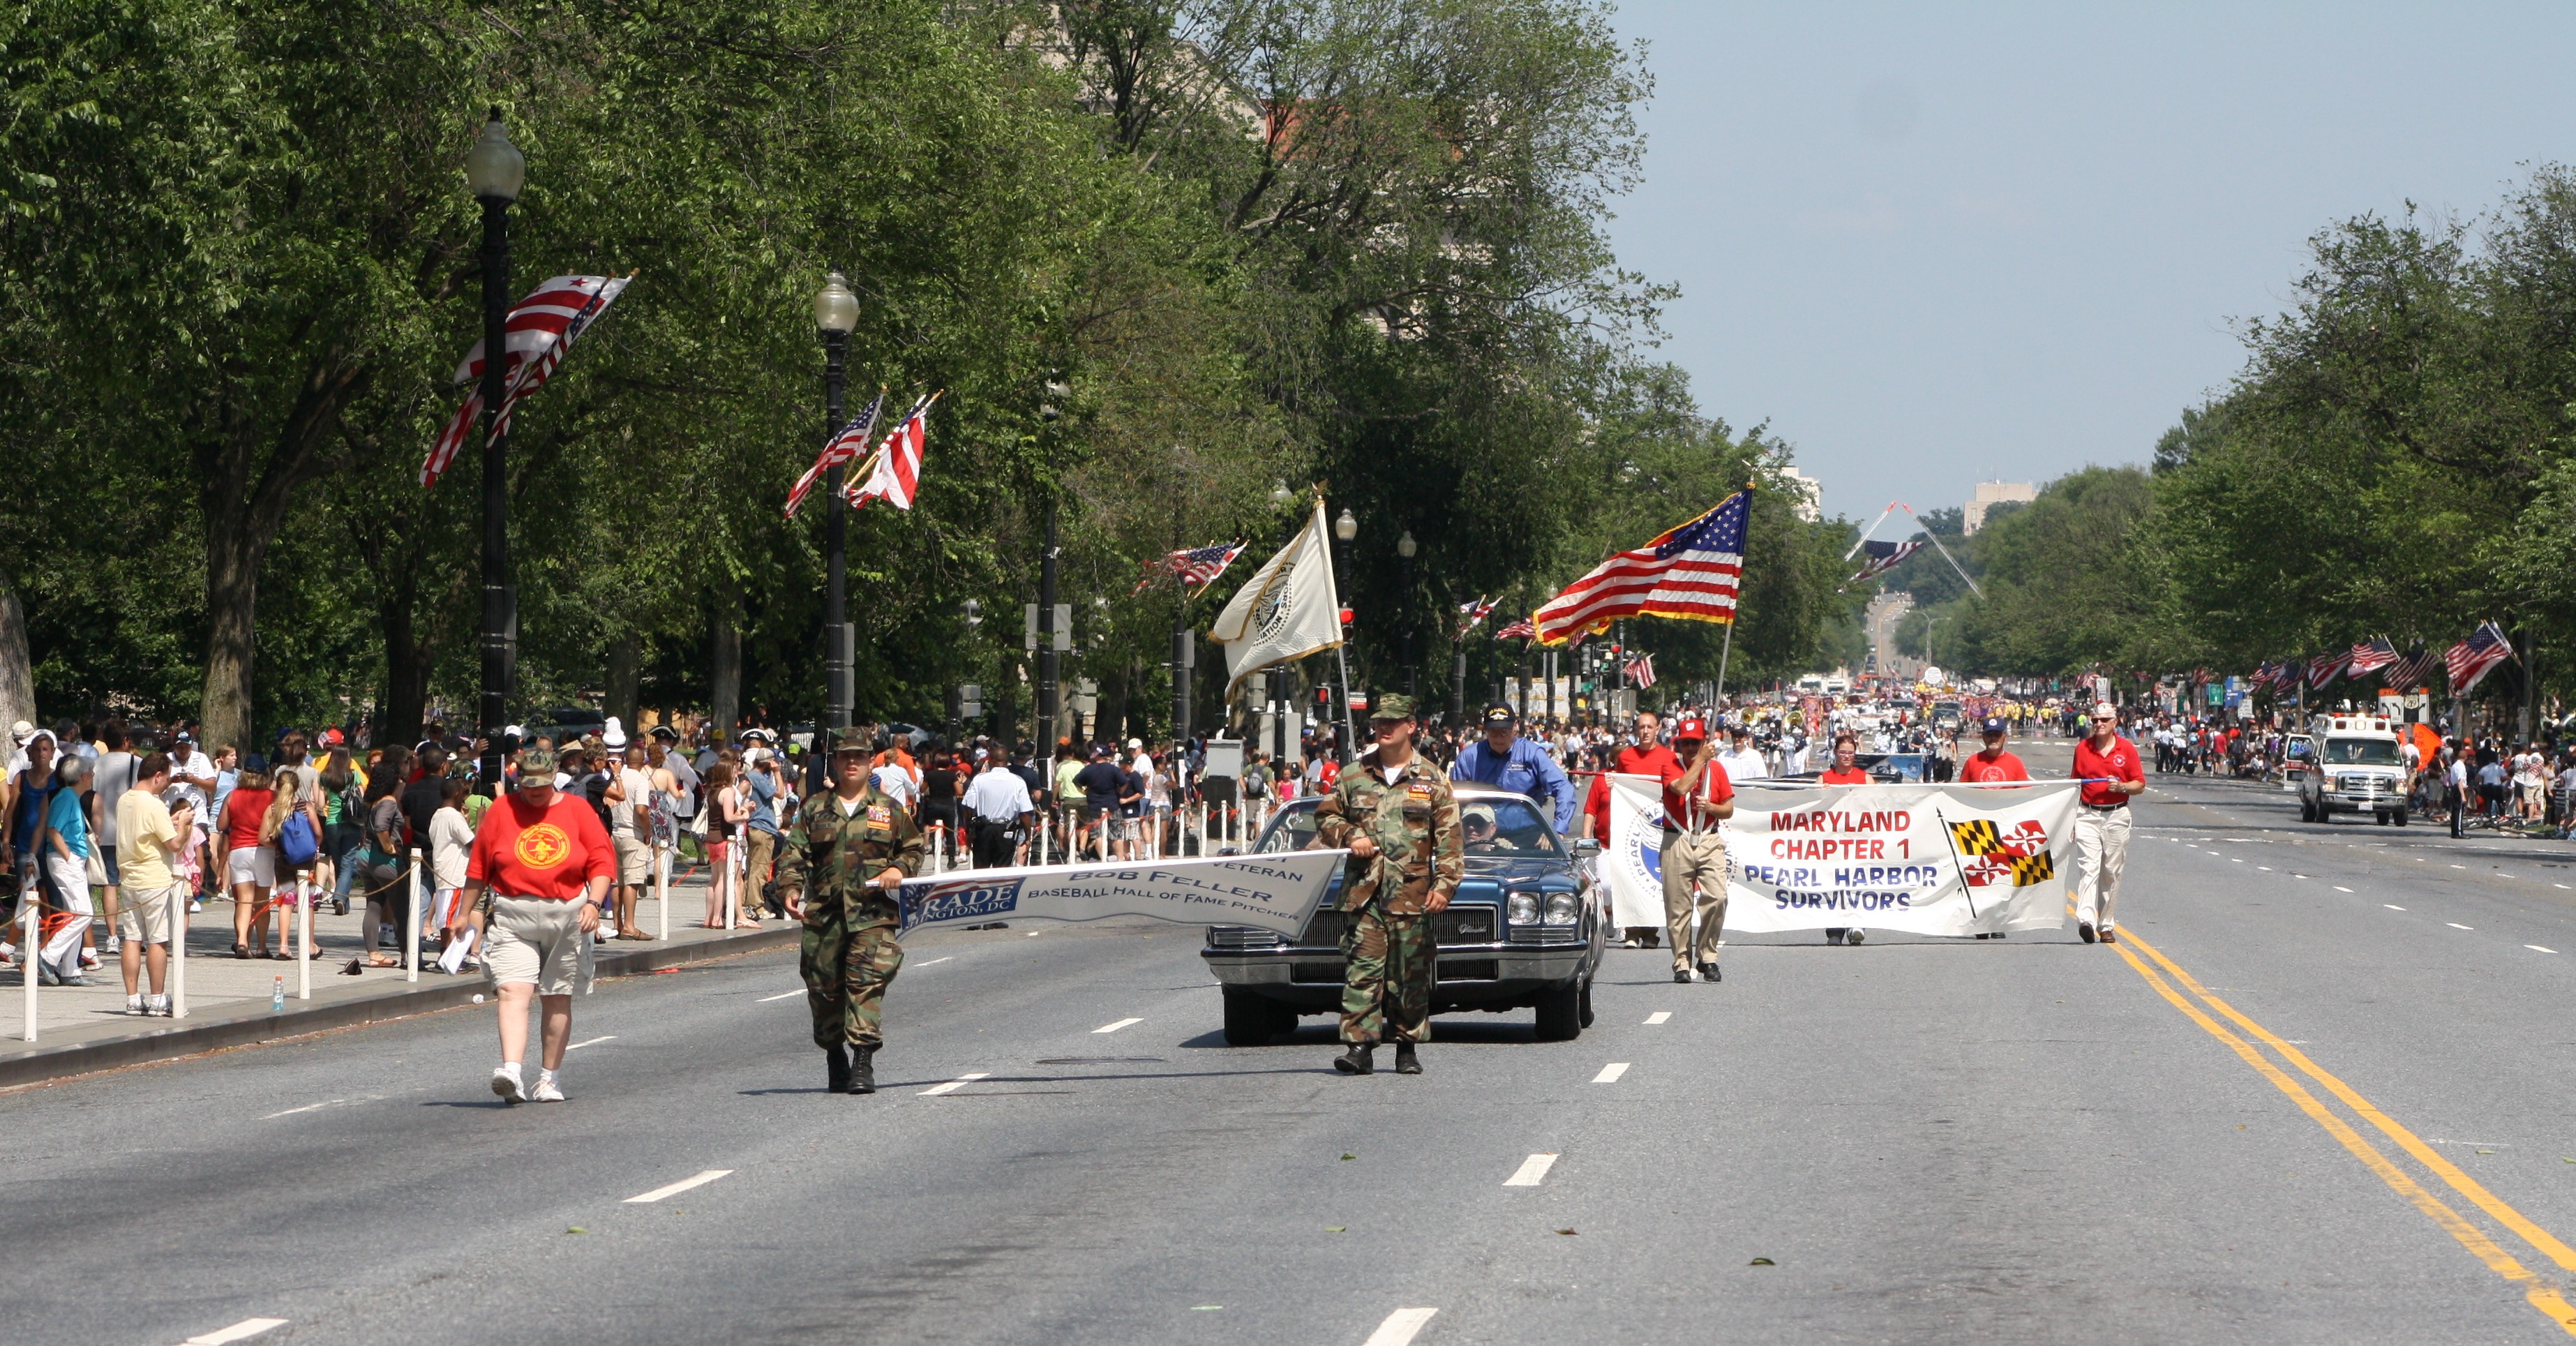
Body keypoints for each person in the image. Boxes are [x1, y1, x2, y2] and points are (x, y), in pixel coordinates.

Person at [1312, 694, 1463, 1077]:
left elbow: (1449, 839)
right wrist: (1348, 834)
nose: (1383, 728)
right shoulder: (1353, 775)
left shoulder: (1431, 780)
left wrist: (1445, 886)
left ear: (1411, 727)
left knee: (1408, 975)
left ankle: (1407, 1046)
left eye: (1392, 723)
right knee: (1362, 971)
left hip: (1411, 896)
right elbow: (1325, 818)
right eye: (1379, 722)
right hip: (1364, 895)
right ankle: (1359, 1046)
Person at [463, 747, 614, 1104]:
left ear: (555, 777)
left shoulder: (577, 809)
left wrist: (594, 902)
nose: (535, 792)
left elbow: (602, 861)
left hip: (568, 913)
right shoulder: (503, 810)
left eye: (542, 786)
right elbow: (479, 869)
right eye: (528, 786)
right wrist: (462, 915)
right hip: (514, 912)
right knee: (513, 991)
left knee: (557, 996)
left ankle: (549, 1079)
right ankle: (512, 1072)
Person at [777, 745, 926, 1094]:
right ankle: (835, 1057)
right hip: (825, 916)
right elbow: (794, 853)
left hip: (872, 915)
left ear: (868, 761)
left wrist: (897, 868)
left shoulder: (888, 809)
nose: (853, 763)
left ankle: (863, 1062)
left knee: (866, 984)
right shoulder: (815, 808)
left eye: (860, 757)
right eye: (846, 757)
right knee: (824, 991)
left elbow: (914, 847)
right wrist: (790, 888)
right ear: (837, 763)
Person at [1658, 718, 1735, 984]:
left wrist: (1711, 807)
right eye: (1685, 743)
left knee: (1717, 896)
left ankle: (1707, 955)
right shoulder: (1670, 765)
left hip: (1708, 838)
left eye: (1695, 743)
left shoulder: (1718, 771)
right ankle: (1681, 961)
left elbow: (1729, 808)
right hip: (1676, 838)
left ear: (1704, 742)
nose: (1690, 747)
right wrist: (1700, 760)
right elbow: (1680, 788)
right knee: (1678, 906)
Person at [116, 752, 188, 1014]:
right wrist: (183, 824)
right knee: (158, 940)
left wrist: (171, 822)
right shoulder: (155, 804)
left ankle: (133, 998)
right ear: (157, 776)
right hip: (154, 878)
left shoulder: (125, 800)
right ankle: (158, 998)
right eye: (167, 779)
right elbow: (175, 844)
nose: (167, 784)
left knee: (132, 939)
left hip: (130, 877)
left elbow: (146, 830)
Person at [2071, 705, 2145, 944]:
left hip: (2117, 815)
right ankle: (2086, 921)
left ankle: (2106, 925)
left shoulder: (2127, 749)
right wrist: (2070, 819)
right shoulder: (2083, 748)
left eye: (2104, 719)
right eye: (2095, 720)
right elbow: (2074, 785)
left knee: (2111, 872)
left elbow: (2140, 784)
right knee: (2088, 867)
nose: (2099, 723)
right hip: (2087, 813)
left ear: (2115, 723)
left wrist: (2122, 786)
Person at [1449, 703, 1576, 835]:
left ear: (1515, 726)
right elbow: (1451, 800)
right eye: (1493, 733)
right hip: (1479, 835)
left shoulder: (1532, 754)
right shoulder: (1469, 758)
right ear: (1485, 730)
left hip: (1526, 836)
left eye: (1504, 732)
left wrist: (1557, 830)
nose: (1499, 738)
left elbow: (1564, 788)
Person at [1817, 733, 1871, 945]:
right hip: (1831, 842)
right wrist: (1821, 795)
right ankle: (1835, 930)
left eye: (1850, 752)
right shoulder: (1824, 778)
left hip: (1858, 840)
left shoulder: (1865, 778)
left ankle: (1857, 924)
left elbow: (1881, 806)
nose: (1846, 756)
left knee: (1857, 881)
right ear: (1836, 753)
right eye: (1843, 752)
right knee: (1833, 883)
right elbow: (1811, 809)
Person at [963, 754, 1034, 869]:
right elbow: (1025, 812)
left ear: (991, 761)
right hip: (1006, 830)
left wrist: (968, 830)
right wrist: (1027, 837)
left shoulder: (979, 779)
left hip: (983, 829)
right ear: (1007, 763)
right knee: (1002, 871)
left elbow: (968, 807)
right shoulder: (1018, 781)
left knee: (980, 870)